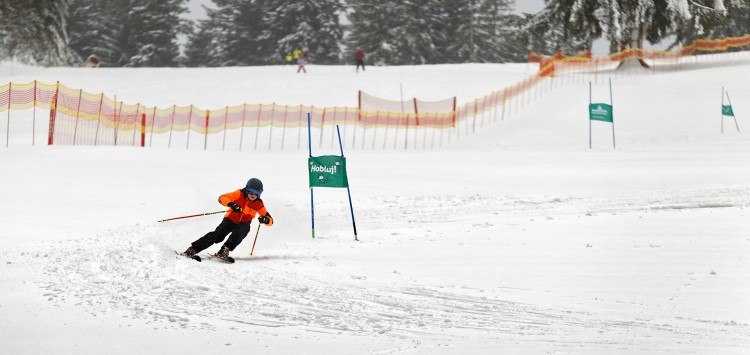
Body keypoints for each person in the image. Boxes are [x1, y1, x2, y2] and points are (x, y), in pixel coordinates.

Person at [182, 178, 273, 263]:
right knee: (218, 236)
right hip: (230, 219)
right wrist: (231, 204)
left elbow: (270, 220)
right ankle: (192, 250)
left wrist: (265, 220)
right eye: (251, 191)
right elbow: (222, 198)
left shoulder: (259, 204)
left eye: (257, 193)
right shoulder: (239, 194)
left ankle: (224, 250)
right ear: (246, 189)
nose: (253, 195)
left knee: (244, 229)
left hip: (243, 223)